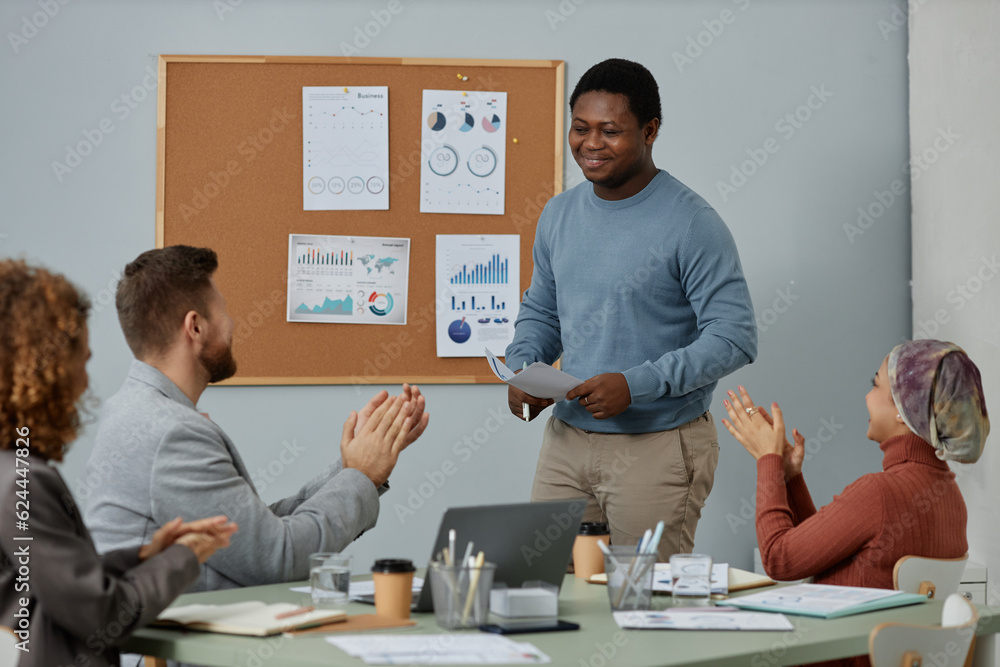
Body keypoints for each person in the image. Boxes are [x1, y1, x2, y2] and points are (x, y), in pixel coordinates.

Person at [505, 58, 757, 560]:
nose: (590, 143)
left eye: (610, 130)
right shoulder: (559, 214)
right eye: (580, 128)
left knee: (645, 608)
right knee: (542, 586)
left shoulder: (692, 223)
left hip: (658, 446)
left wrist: (635, 384)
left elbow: (734, 337)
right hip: (566, 440)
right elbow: (544, 310)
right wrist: (524, 368)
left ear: (650, 131)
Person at [85, 245, 429, 594]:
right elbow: (276, 557)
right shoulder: (172, 433)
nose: (232, 324)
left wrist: (351, 467)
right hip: (165, 647)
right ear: (195, 327)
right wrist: (361, 476)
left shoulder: (136, 410)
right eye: (224, 312)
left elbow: (253, 535)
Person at [0, 260, 237, 667]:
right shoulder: (21, 483)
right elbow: (101, 615)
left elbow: (56, 580)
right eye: (82, 360)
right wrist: (184, 559)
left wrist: (146, 555)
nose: (87, 381)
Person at [722, 339, 988, 667]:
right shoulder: (950, 498)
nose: (866, 396)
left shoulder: (879, 493)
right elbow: (824, 554)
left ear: (905, 410)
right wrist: (788, 477)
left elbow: (779, 559)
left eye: (875, 385)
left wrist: (767, 460)